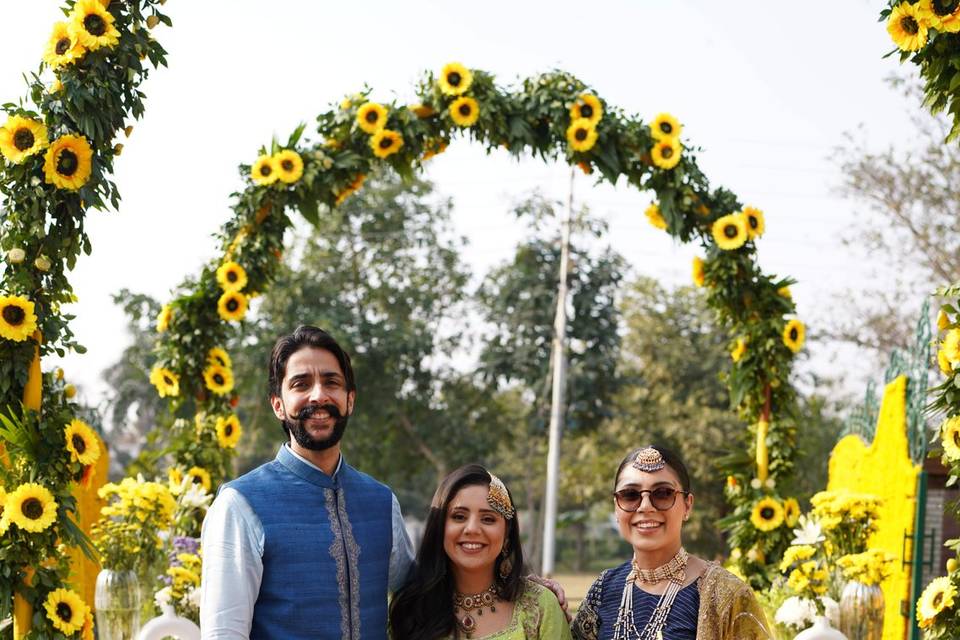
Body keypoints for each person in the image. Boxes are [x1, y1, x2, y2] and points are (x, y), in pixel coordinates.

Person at [200, 325, 415, 640]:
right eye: (301, 384)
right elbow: (223, 634)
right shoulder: (239, 504)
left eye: (331, 382)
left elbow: (417, 600)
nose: (318, 395)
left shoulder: (382, 502)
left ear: (349, 400)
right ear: (278, 405)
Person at [571, 446, 770, 640]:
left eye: (663, 493)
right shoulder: (605, 587)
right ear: (617, 507)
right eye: (630, 495)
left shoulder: (725, 594)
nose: (645, 506)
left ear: (687, 505)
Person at [389, 464, 571, 640]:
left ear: (506, 533)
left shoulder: (540, 606)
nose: (472, 529)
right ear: (440, 527)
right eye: (459, 517)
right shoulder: (409, 610)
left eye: (488, 519)